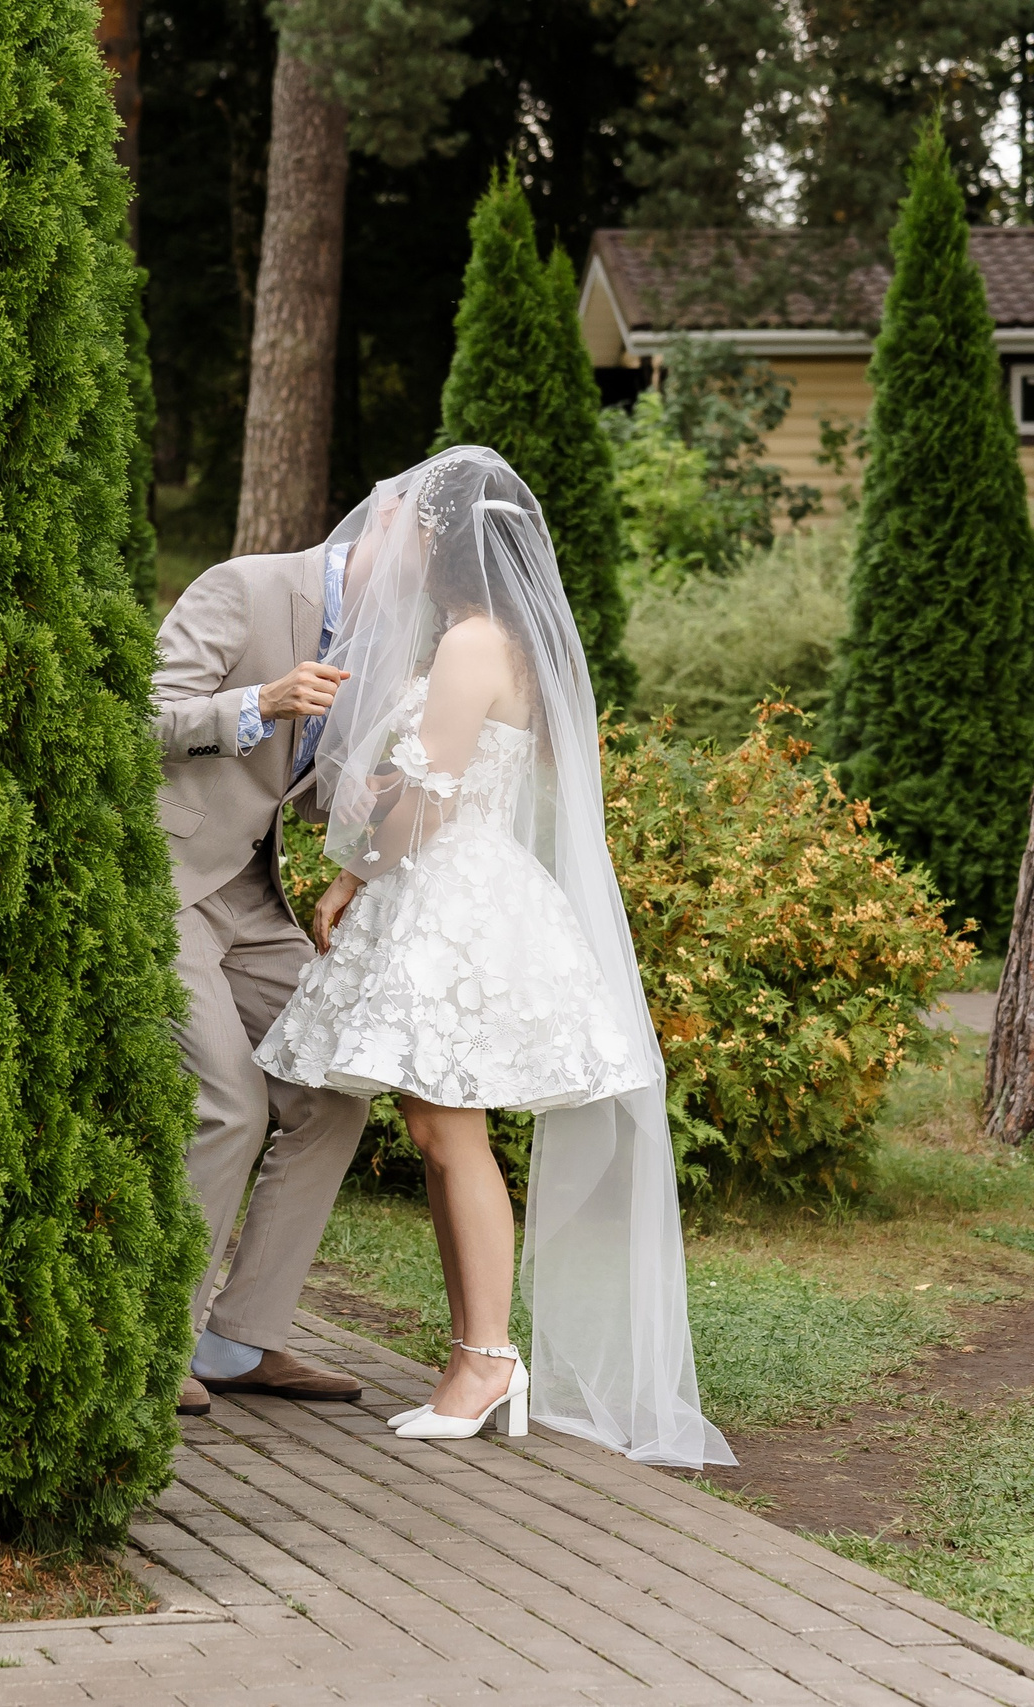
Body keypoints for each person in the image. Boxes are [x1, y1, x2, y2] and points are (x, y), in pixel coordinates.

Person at [256, 445, 731, 1469]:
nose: (406, 545)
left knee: (445, 1132)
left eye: (418, 529)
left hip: (454, 902)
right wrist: (353, 871)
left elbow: (425, 802)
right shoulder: (487, 637)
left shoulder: (474, 643)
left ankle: (484, 1361)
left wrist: (359, 853)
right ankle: (479, 1356)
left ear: (449, 541)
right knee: (438, 1129)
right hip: (447, 888)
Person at [147, 493, 376, 1417]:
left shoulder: (382, 636)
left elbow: (310, 792)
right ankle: (154, 1350)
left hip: (252, 895)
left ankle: (240, 1340)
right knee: (231, 1105)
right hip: (164, 878)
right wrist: (262, 701)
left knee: (333, 1090)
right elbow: (143, 721)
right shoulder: (241, 588)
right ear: (385, 529)